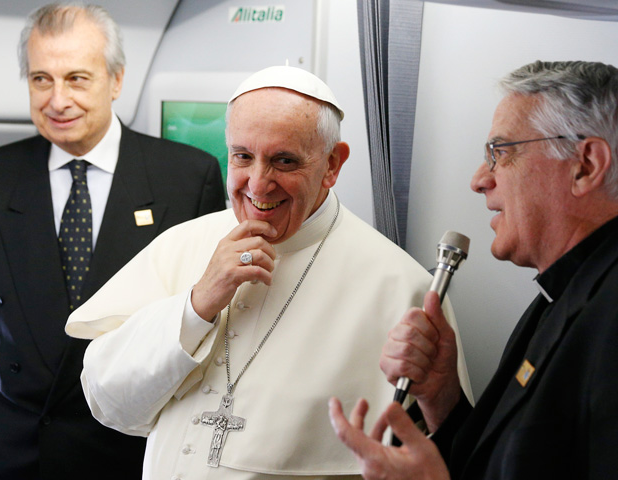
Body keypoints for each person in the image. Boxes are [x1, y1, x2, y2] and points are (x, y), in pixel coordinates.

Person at [64, 65, 474, 479]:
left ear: (332, 164)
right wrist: (196, 305)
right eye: (243, 156)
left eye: (284, 161)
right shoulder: (181, 243)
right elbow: (107, 403)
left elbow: (442, 462)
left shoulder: (399, 286)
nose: (258, 185)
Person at [329, 60, 618, 479]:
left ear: (586, 165)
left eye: (500, 153)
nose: (479, 180)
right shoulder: (569, 292)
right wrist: (442, 395)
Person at [0, 4, 226, 480]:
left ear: (116, 80)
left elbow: (207, 343)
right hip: (6, 453)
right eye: (41, 79)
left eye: (76, 79)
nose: (58, 100)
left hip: (125, 450)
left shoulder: (187, 178)